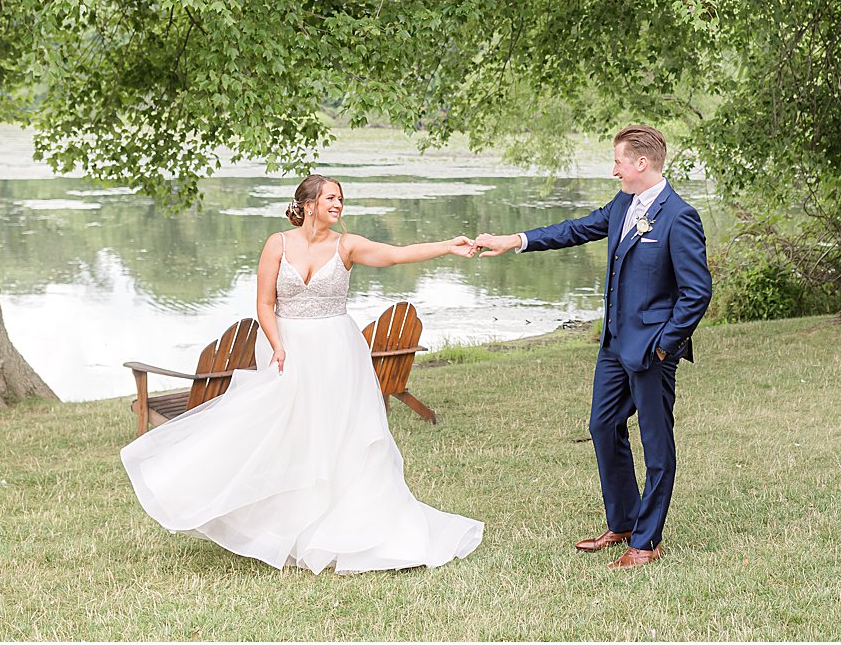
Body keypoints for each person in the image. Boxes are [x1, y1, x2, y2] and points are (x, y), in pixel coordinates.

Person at [121, 173, 483, 573]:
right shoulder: (277, 244)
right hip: (287, 348)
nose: (338, 204)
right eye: (330, 198)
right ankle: (278, 526)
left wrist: (448, 247)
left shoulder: (347, 245)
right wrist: (277, 343)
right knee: (282, 431)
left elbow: (395, 254)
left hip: (336, 351)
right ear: (308, 204)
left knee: (339, 435)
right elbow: (263, 303)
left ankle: (343, 529)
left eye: (341, 199)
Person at [472, 125, 711, 569]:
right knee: (602, 427)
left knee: (656, 444)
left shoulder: (680, 216)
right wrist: (513, 241)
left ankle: (646, 541)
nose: (613, 168)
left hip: (651, 352)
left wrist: (664, 346)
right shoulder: (623, 204)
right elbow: (573, 230)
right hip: (613, 347)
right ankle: (622, 521)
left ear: (641, 163)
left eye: (618, 160)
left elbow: (696, 293)